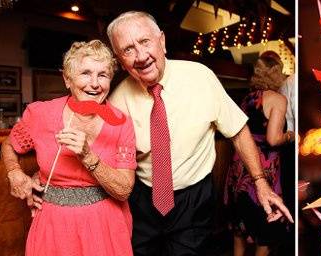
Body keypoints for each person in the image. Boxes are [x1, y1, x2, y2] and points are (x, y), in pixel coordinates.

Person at [107, 11, 293, 256]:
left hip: (193, 197)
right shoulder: (117, 100)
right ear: (120, 60)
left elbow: (237, 131)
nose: (141, 56)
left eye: (145, 42)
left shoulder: (201, 78)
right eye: (128, 49)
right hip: (142, 199)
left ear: (161, 41)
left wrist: (260, 183)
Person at [1, 40, 136, 256]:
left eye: (103, 75)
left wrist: (87, 155)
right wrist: (15, 173)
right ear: (67, 79)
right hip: (52, 223)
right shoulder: (41, 114)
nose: (95, 83)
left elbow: (124, 190)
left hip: (104, 224)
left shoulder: (122, 123)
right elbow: (9, 144)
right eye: (85, 73)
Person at [224, 55, 295, 256]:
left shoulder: (246, 99)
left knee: (240, 225)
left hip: (239, 165)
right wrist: (291, 135)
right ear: (276, 73)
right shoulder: (278, 99)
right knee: (266, 227)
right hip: (264, 168)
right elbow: (273, 139)